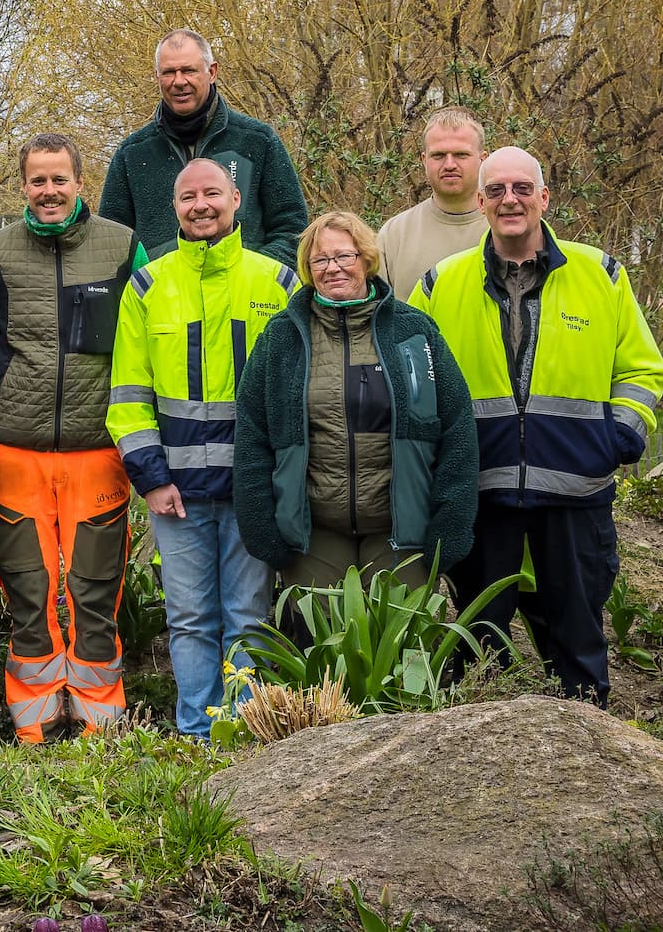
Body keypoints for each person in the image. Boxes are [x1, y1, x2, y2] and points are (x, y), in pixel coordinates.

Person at [411, 146, 663, 705]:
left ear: (544, 197)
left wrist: (619, 434)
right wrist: (436, 459)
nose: (510, 200)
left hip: (577, 490)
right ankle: (478, 771)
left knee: (576, 639)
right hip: (483, 490)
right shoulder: (439, 284)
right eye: (497, 190)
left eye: (522, 188)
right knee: (480, 647)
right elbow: (412, 382)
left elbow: (642, 367)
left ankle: (590, 764)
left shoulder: (601, 274)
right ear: (480, 202)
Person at [0, 134, 144, 741]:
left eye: (58, 179)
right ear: (21, 187)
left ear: (78, 182)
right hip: (15, 449)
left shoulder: (122, 248)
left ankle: (98, 711)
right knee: (29, 589)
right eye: (37, 181)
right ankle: (35, 715)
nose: (48, 192)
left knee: (95, 587)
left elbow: (144, 341)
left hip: (99, 446)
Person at [106, 159, 296, 737]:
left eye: (213, 193)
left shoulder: (277, 282)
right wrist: (152, 478)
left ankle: (243, 731)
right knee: (188, 618)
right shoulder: (149, 285)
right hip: (177, 492)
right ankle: (195, 732)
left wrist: (278, 478)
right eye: (188, 196)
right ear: (174, 207)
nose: (201, 205)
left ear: (237, 200)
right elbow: (128, 395)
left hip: (251, 487)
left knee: (247, 617)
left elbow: (295, 394)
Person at [234, 212, 480, 605]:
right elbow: (252, 434)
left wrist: (449, 527)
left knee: (399, 648)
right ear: (308, 270)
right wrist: (263, 530)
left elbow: (457, 430)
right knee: (321, 654)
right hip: (314, 533)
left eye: (343, 256)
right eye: (320, 260)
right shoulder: (282, 338)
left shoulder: (414, 331)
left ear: (366, 258)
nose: (333, 268)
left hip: (401, 529)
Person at [99, 28, 308, 268]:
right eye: (169, 72)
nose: (179, 81)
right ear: (157, 76)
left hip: (245, 299)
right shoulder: (131, 155)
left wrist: (251, 274)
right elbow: (112, 243)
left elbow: (292, 229)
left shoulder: (258, 141)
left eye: (188, 70)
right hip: (165, 299)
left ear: (212, 72)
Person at [377, 108, 487, 301]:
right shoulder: (394, 235)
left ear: (483, 159)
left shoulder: (508, 230)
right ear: (424, 160)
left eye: (461, 154)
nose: (450, 164)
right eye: (438, 155)